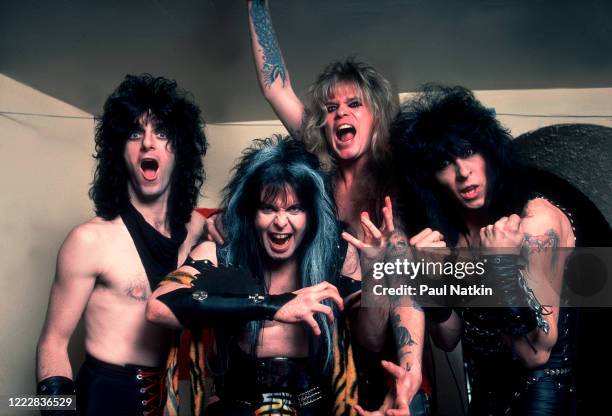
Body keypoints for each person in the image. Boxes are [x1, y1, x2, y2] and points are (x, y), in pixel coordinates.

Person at [245, 2, 431, 414]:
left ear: (377, 116)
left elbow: (406, 291)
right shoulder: (315, 176)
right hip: (329, 368)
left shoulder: (398, 186)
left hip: (386, 360)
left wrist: (409, 368)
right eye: (330, 109)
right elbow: (276, 86)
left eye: (354, 105)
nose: (340, 113)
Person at [391, 84, 577, 415]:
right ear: (430, 177)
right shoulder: (450, 238)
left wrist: (499, 265)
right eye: (445, 162)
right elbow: (448, 338)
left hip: (542, 396)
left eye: (469, 151)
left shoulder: (534, 222)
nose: (463, 172)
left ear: (490, 152)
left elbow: (536, 352)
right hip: (485, 399)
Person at [36, 74, 208, 415]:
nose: (147, 143)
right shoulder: (90, 240)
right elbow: (53, 342)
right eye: (134, 133)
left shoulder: (198, 229)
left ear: (181, 149)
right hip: (104, 397)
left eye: (161, 132)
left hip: (169, 399)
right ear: (120, 151)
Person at [147, 137, 354, 415]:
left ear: (311, 214)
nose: (281, 222)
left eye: (295, 209)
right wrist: (274, 306)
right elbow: (157, 307)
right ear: (250, 212)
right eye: (268, 208)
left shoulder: (336, 255)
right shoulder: (219, 256)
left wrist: (385, 264)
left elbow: (374, 339)